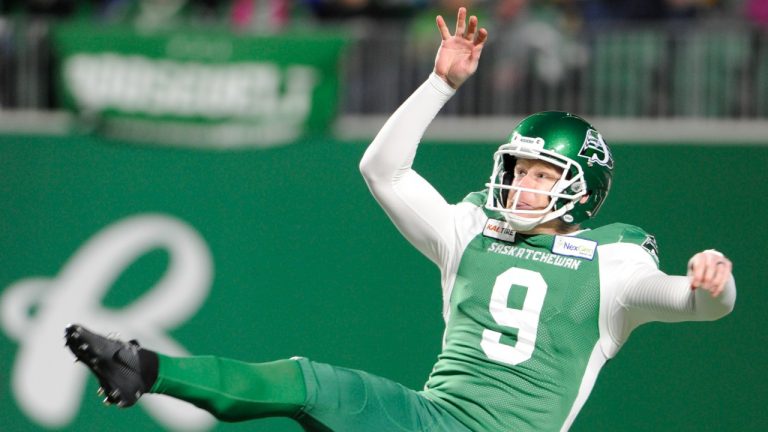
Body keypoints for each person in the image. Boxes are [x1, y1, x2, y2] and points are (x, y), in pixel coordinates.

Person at [64, 7, 736, 431]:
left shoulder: (613, 265)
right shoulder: (471, 229)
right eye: (518, 169)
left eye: (540, 175)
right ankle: (142, 369)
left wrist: (714, 277)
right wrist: (439, 85)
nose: (521, 185)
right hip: (431, 418)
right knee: (309, 383)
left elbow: (702, 307)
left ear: (581, 189)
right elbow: (382, 170)